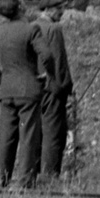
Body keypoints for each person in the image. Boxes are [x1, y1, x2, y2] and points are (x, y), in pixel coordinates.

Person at [0, 0, 45, 187]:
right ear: (21, 9)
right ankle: (24, 181)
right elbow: (46, 54)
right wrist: (45, 74)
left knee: (5, 136)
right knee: (29, 135)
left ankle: (0, 179)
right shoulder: (31, 29)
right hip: (29, 89)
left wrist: (1, 81)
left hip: (7, 91)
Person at [36, 10, 73, 179]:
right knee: (53, 132)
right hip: (52, 87)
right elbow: (59, 59)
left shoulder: (29, 27)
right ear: (49, 10)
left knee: (35, 132)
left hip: (33, 86)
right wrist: (65, 85)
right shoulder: (54, 29)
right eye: (60, 8)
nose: (62, 12)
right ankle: (49, 175)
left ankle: (33, 172)